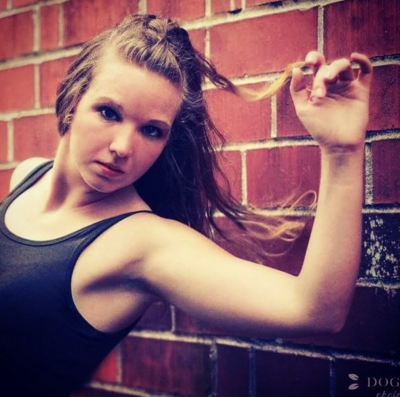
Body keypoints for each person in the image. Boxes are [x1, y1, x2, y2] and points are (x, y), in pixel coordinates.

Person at [0, 14, 372, 397]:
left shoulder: (141, 245)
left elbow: (314, 310)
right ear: (72, 100)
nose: (123, 147)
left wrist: (342, 152)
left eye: (152, 130)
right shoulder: (27, 176)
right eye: (109, 113)